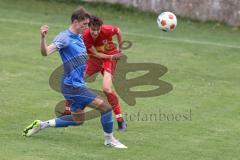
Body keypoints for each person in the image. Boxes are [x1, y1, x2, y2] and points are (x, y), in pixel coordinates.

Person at [22, 7, 127, 149]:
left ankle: (43, 124)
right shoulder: (64, 38)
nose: (87, 28)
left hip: (76, 84)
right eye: (84, 25)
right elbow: (45, 52)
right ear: (76, 22)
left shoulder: (79, 36)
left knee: (78, 120)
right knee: (106, 108)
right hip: (72, 86)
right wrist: (43, 38)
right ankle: (109, 140)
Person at [83, 16, 127, 131]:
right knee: (76, 81)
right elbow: (96, 54)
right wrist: (113, 56)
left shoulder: (107, 30)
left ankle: (120, 120)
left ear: (101, 27)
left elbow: (118, 31)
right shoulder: (86, 36)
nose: (96, 32)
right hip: (96, 59)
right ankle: (68, 111)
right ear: (89, 27)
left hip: (109, 59)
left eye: (98, 29)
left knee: (107, 89)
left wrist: (120, 48)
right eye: (93, 30)